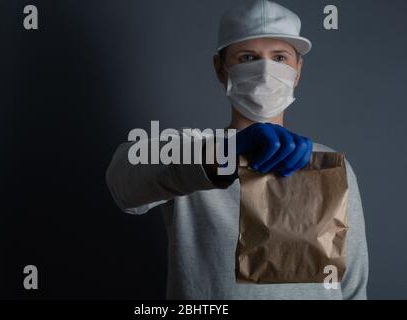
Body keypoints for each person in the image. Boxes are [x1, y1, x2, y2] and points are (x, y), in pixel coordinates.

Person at [106, 0, 368, 299]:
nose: (266, 70)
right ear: (221, 68)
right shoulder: (191, 152)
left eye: (280, 57)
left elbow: (353, 287)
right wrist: (225, 154)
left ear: (298, 70)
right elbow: (123, 181)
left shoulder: (330, 167)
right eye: (248, 57)